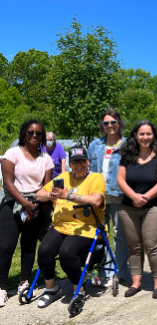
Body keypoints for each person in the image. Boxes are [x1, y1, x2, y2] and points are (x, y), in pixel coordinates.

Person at [33, 145, 106, 308]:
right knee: (44, 251)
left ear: (88, 161)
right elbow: (39, 195)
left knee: (66, 252)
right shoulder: (64, 176)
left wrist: (68, 195)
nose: (78, 165)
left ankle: (78, 289)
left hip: (86, 226)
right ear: (70, 163)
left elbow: (97, 201)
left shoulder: (96, 178)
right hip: (60, 225)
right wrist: (49, 195)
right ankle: (51, 289)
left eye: (81, 161)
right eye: (74, 162)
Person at [0, 120, 53, 307]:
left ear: (42, 137)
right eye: (31, 132)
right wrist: (25, 205)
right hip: (12, 203)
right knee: (6, 247)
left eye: (38, 133)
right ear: (24, 133)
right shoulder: (12, 153)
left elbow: (46, 188)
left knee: (29, 246)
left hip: (36, 204)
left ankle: (24, 282)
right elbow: (8, 182)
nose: (34, 136)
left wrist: (34, 206)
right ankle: (2, 288)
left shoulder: (45, 159)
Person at [117, 120, 157, 299]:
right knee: (134, 247)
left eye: (148, 134)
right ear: (135, 136)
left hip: (153, 206)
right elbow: (121, 180)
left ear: (153, 135)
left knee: (152, 245)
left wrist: (145, 197)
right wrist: (134, 196)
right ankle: (136, 283)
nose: (145, 137)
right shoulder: (127, 155)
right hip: (128, 207)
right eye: (141, 134)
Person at [88, 108, 129, 287]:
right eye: (106, 123)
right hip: (98, 198)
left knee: (120, 235)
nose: (110, 126)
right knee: (100, 235)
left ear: (119, 123)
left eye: (113, 122)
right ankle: (105, 271)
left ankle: (119, 271)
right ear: (102, 125)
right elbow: (88, 172)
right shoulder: (94, 145)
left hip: (119, 196)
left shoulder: (128, 145)